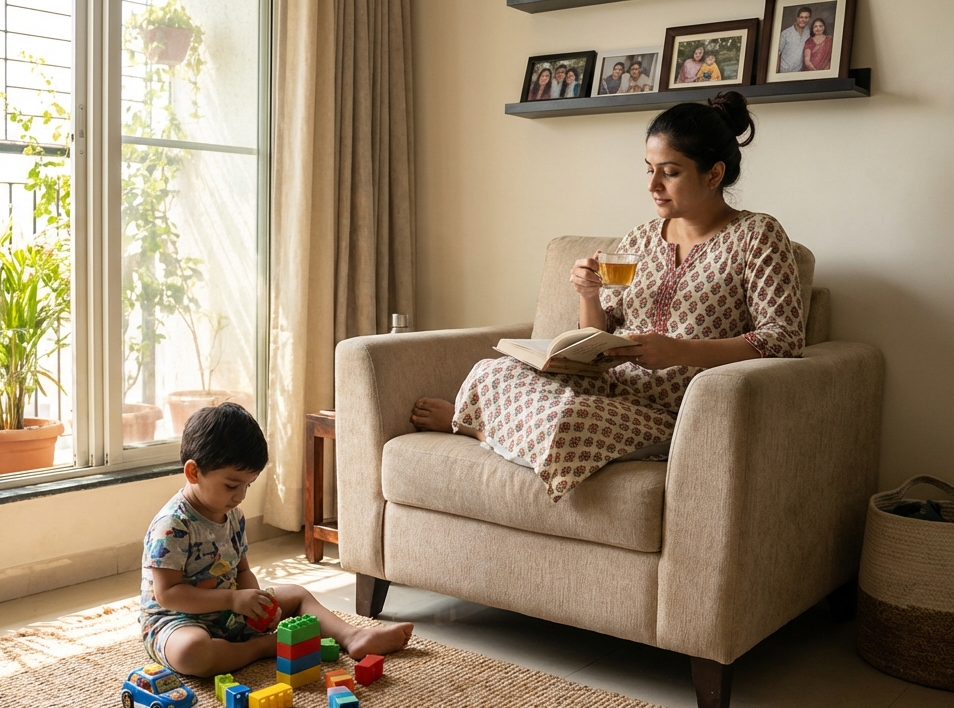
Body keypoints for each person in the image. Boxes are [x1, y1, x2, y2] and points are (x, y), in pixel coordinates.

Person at [410, 92, 805, 502]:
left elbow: (783, 339)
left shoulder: (757, 236)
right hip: (608, 388)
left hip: (674, 410)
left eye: (669, 172)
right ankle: (501, 428)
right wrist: (588, 295)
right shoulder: (639, 239)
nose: (652, 185)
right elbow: (599, 335)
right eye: (649, 170)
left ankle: (475, 427)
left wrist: (678, 351)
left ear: (713, 174)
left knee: (569, 419)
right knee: (494, 371)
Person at [141, 403, 413, 676]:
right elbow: (167, 595)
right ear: (193, 472)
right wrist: (232, 600)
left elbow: (242, 570)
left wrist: (258, 609)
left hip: (228, 610)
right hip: (177, 620)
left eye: (248, 485)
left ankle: (353, 637)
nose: (240, 496)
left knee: (296, 594)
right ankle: (260, 648)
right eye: (232, 485)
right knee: (192, 653)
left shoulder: (233, 514)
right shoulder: (172, 526)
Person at [777, 6, 812, 73]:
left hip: (799, 72)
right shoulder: (786, 33)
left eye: (806, 17)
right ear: (797, 18)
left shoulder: (809, 32)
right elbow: (778, 53)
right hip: (784, 71)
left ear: (809, 19)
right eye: (801, 17)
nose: (803, 20)